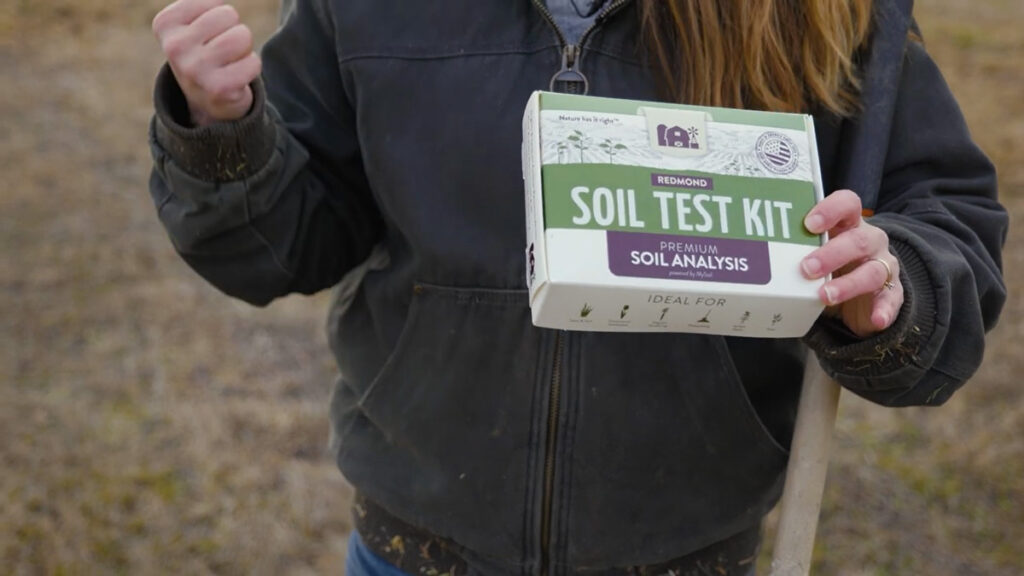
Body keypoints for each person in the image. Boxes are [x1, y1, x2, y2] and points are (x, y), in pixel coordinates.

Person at [147, 0, 1007, 574]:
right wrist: (225, 135)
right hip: (415, 545)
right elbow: (287, 244)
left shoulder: (825, 12)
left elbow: (946, 216)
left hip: (687, 545)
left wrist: (892, 281)